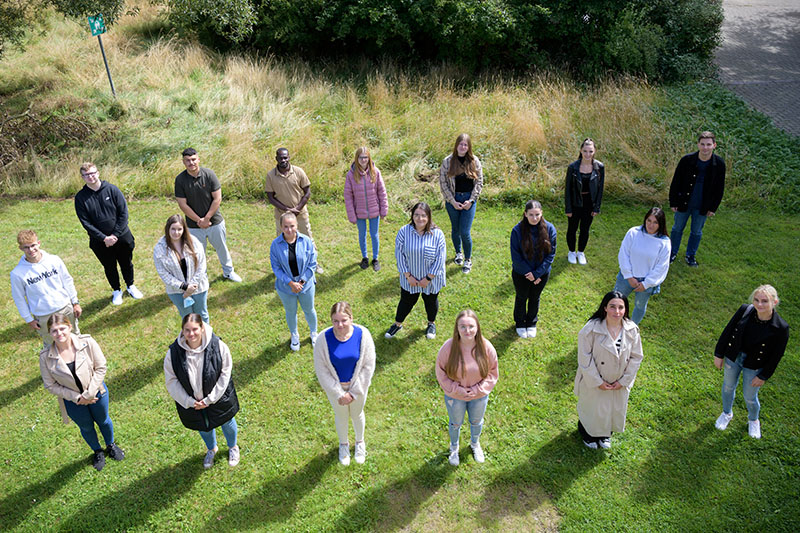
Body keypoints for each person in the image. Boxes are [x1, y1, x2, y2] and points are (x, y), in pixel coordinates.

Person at [39, 314, 125, 471]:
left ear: (70, 327)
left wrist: (89, 394)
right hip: (73, 402)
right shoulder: (46, 357)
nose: (59, 334)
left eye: (62, 328)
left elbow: (101, 367)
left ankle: (110, 445)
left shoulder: (87, 342)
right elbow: (50, 385)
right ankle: (97, 451)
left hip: (97, 393)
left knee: (103, 420)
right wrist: (77, 398)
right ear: (49, 333)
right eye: (54, 331)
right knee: (86, 427)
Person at [164, 313, 241, 469]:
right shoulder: (173, 354)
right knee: (203, 426)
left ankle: (233, 447)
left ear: (202, 328)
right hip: (193, 403)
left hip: (218, 398)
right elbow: (171, 381)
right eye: (187, 330)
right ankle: (211, 449)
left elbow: (225, 374)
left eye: (195, 329)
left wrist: (210, 399)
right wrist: (189, 402)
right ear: (182, 331)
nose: (191, 334)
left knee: (226, 421)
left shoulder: (219, 346)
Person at [713, 285, 789, 439]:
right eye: (756, 300)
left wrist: (763, 376)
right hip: (734, 357)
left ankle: (753, 420)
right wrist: (719, 354)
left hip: (755, 365)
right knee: (728, 387)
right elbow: (728, 331)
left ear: (774, 302)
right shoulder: (745, 310)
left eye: (765, 301)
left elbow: (776, 355)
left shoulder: (781, 328)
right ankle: (727, 413)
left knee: (749, 396)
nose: (759, 305)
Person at [574, 291, 643, 449]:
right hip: (594, 379)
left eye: (620, 307)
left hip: (618, 381)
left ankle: (605, 434)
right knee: (593, 408)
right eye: (612, 307)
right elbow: (584, 358)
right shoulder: (590, 329)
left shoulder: (632, 330)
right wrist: (597, 381)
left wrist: (624, 381)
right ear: (605, 308)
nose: (616, 312)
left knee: (612, 408)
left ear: (625, 309)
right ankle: (588, 434)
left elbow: (636, 356)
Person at [313, 302, 376, 466]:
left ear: (351, 318)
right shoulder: (322, 339)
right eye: (335, 321)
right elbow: (322, 370)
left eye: (344, 320)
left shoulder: (363, 335)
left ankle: (359, 442)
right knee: (341, 416)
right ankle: (344, 445)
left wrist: (354, 392)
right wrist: (339, 394)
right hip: (336, 391)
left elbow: (368, 366)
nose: (340, 325)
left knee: (357, 414)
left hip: (358, 389)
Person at [74, 162, 143, 305]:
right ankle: (116, 290)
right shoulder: (81, 197)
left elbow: (123, 213)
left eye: (92, 173)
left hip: (122, 237)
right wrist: (104, 238)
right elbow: (85, 222)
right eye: (86, 175)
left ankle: (130, 286)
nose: (90, 177)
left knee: (126, 263)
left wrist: (115, 235)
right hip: (99, 242)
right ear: (82, 177)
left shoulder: (112, 189)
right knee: (109, 266)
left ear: (98, 173)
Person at [435, 310, 498, 465]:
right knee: (455, 423)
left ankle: (475, 444)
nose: (467, 330)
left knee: (476, 422)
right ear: (457, 328)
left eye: (471, 326)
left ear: (477, 327)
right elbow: (440, 372)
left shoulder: (486, 347)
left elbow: (492, 372)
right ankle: (454, 448)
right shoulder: (448, 348)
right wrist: (457, 390)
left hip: (479, 396)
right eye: (462, 326)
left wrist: (478, 390)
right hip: (455, 397)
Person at [174, 147, 242, 282]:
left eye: (193, 159)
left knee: (221, 248)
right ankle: (201, 276)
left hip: (214, 221)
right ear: (183, 162)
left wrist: (207, 218)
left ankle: (228, 272)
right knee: (197, 253)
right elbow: (182, 204)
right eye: (187, 160)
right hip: (194, 225)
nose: (191, 163)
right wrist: (199, 220)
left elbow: (217, 199)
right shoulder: (180, 180)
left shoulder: (209, 174)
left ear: (198, 159)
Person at [385, 202, 446, 340]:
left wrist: (428, 279)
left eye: (423, 216)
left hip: (431, 279)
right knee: (406, 301)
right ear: (412, 216)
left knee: (431, 301)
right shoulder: (403, 231)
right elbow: (399, 255)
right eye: (416, 215)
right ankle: (397, 324)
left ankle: (431, 324)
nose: (420, 219)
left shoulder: (438, 234)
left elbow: (440, 259)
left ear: (429, 217)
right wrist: (408, 276)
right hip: (409, 278)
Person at [11, 230, 82, 347]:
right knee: (51, 346)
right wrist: (29, 319)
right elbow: (19, 298)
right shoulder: (17, 273)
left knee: (75, 338)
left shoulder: (54, 260)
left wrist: (75, 302)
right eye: (26, 247)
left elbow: (67, 280)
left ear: (38, 243)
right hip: (43, 316)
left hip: (65, 308)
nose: (31, 250)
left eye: (33, 245)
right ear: (21, 249)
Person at [668, 131, 726, 267]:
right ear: (698, 145)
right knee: (677, 228)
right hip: (684, 202)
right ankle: (671, 253)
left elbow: (719, 188)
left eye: (708, 145)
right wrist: (673, 201)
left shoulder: (719, 164)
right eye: (703, 144)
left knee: (696, 231)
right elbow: (676, 181)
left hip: (702, 206)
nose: (705, 148)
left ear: (714, 145)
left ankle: (690, 255)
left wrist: (713, 208)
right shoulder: (686, 160)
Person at [265, 148, 324, 274]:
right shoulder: (271, 175)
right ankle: (285, 266)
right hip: (282, 216)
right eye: (280, 158)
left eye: (285, 157)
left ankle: (313, 263)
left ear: (289, 157)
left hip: (300, 213)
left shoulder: (298, 171)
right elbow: (270, 197)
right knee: (283, 241)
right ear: (276, 159)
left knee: (307, 238)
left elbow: (307, 192)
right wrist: (287, 210)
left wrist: (297, 209)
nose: (283, 160)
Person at [612, 207, 671, 324]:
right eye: (649, 220)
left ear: (661, 224)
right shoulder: (633, 233)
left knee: (639, 306)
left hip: (645, 283)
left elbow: (661, 267)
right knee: (615, 301)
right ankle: (611, 324)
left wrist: (646, 284)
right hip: (626, 277)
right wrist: (629, 276)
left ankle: (631, 328)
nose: (651, 225)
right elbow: (624, 254)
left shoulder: (664, 242)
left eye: (655, 222)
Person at [269, 212, 319, 351]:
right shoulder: (275, 245)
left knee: (309, 310)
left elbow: (312, 264)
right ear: (281, 227)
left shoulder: (307, 241)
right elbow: (276, 268)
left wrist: (301, 282)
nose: (289, 230)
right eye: (286, 226)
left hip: (306, 286)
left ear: (297, 225)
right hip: (286, 288)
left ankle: (314, 333)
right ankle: (294, 334)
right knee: (291, 312)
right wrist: (291, 283)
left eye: (292, 226)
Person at [509, 200, 556, 339]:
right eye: (531, 215)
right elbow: (516, 256)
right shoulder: (517, 231)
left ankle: (531, 322)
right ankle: (520, 322)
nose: (534, 218)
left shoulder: (550, 229)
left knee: (535, 297)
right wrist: (529, 274)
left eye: (537, 215)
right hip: (521, 273)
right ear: (525, 214)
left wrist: (537, 274)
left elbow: (551, 254)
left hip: (541, 273)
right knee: (521, 297)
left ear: (541, 214)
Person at [439, 133, 484, 274]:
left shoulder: (474, 161)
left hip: (469, 201)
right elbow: (443, 183)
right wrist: (452, 201)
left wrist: (471, 200)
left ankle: (468, 259)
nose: (463, 147)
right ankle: (458, 253)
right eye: (460, 144)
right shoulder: (447, 161)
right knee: (455, 229)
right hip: (453, 199)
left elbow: (479, 182)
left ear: (469, 147)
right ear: (456, 145)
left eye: (465, 144)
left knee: (465, 231)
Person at [153, 215, 210, 323]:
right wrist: (184, 287)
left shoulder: (194, 242)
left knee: (202, 314)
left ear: (184, 229)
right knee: (187, 317)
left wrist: (192, 285)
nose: (176, 232)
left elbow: (202, 266)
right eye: (173, 229)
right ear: (167, 229)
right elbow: (164, 274)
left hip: (198, 287)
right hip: (176, 291)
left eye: (180, 229)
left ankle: (207, 337)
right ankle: (192, 338)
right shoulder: (159, 248)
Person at [343, 147, 388, 272]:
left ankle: (375, 258)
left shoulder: (376, 172)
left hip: (374, 210)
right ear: (357, 159)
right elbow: (348, 196)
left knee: (374, 235)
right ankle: (364, 257)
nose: (363, 160)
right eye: (361, 157)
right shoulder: (351, 175)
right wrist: (351, 215)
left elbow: (382, 192)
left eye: (366, 157)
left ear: (369, 158)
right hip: (359, 212)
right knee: (362, 234)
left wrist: (383, 210)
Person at [564, 138, 604, 265]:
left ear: (594, 151)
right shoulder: (573, 167)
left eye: (590, 151)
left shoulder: (599, 167)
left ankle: (581, 252)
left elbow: (600, 188)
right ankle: (571, 252)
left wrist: (596, 207)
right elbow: (568, 189)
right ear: (581, 151)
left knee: (585, 229)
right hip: (576, 202)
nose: (588, 154)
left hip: (589, 203)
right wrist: (568, 208)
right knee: (572, 228)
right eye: (585, 151)